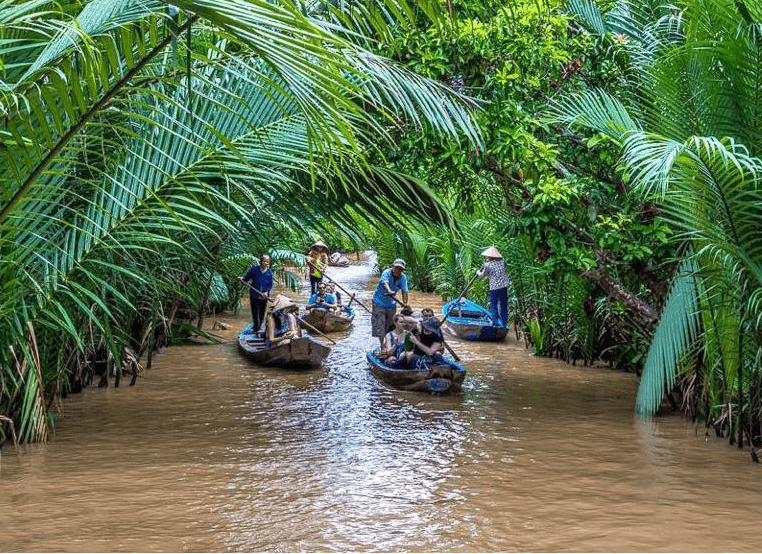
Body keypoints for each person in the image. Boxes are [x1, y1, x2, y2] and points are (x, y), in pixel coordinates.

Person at [371, 258, 410, 349]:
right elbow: (385, 283)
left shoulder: (403, 277)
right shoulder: (386, 273)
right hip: (378, 303)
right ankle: (382, 347)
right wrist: (389, 291)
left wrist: (404, 304)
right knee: (380, 326)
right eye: (396, 268)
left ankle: (390, 345)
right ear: (393, 267)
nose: (398, 270)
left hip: (391, 304)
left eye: (400, 269)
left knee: (390, 326)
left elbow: (405, 291)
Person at [476, 246, 510, 327]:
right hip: (503, 286)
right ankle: (504, 324)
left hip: (494, 287)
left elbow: (482, 275)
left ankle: (495, 324)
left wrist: (478, 273)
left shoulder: (487, 265)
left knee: (494, 305)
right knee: (503, 305)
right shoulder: (502, 261)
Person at [239, 254, 273, 333]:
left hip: (264, 296)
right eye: (264, 261)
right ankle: (257, 328)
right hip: (254, 294)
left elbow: (270, 285)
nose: (266, 263)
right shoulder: (254, 270)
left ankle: (259, 326)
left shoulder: (269, 273)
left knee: (262, 311)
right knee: (255, 311)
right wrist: (242, 279)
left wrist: (266, 292)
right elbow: (246, 278)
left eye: (268, 262)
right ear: (260, 261)